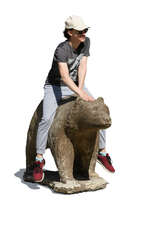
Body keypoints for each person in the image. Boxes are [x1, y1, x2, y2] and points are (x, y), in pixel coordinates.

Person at [33, 15, 115, 182]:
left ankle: (102, 151)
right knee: (46, 119)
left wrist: (81, 90)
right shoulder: (61, 50)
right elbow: (64, 76)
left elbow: (83, 66)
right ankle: (39, 159)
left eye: (85, 30)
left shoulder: (86, 42)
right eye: (80, 31)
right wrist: (79, 92)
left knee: (97, 109)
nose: (84, 33)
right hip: (55, 86)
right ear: (70, 32)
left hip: (76, 84)